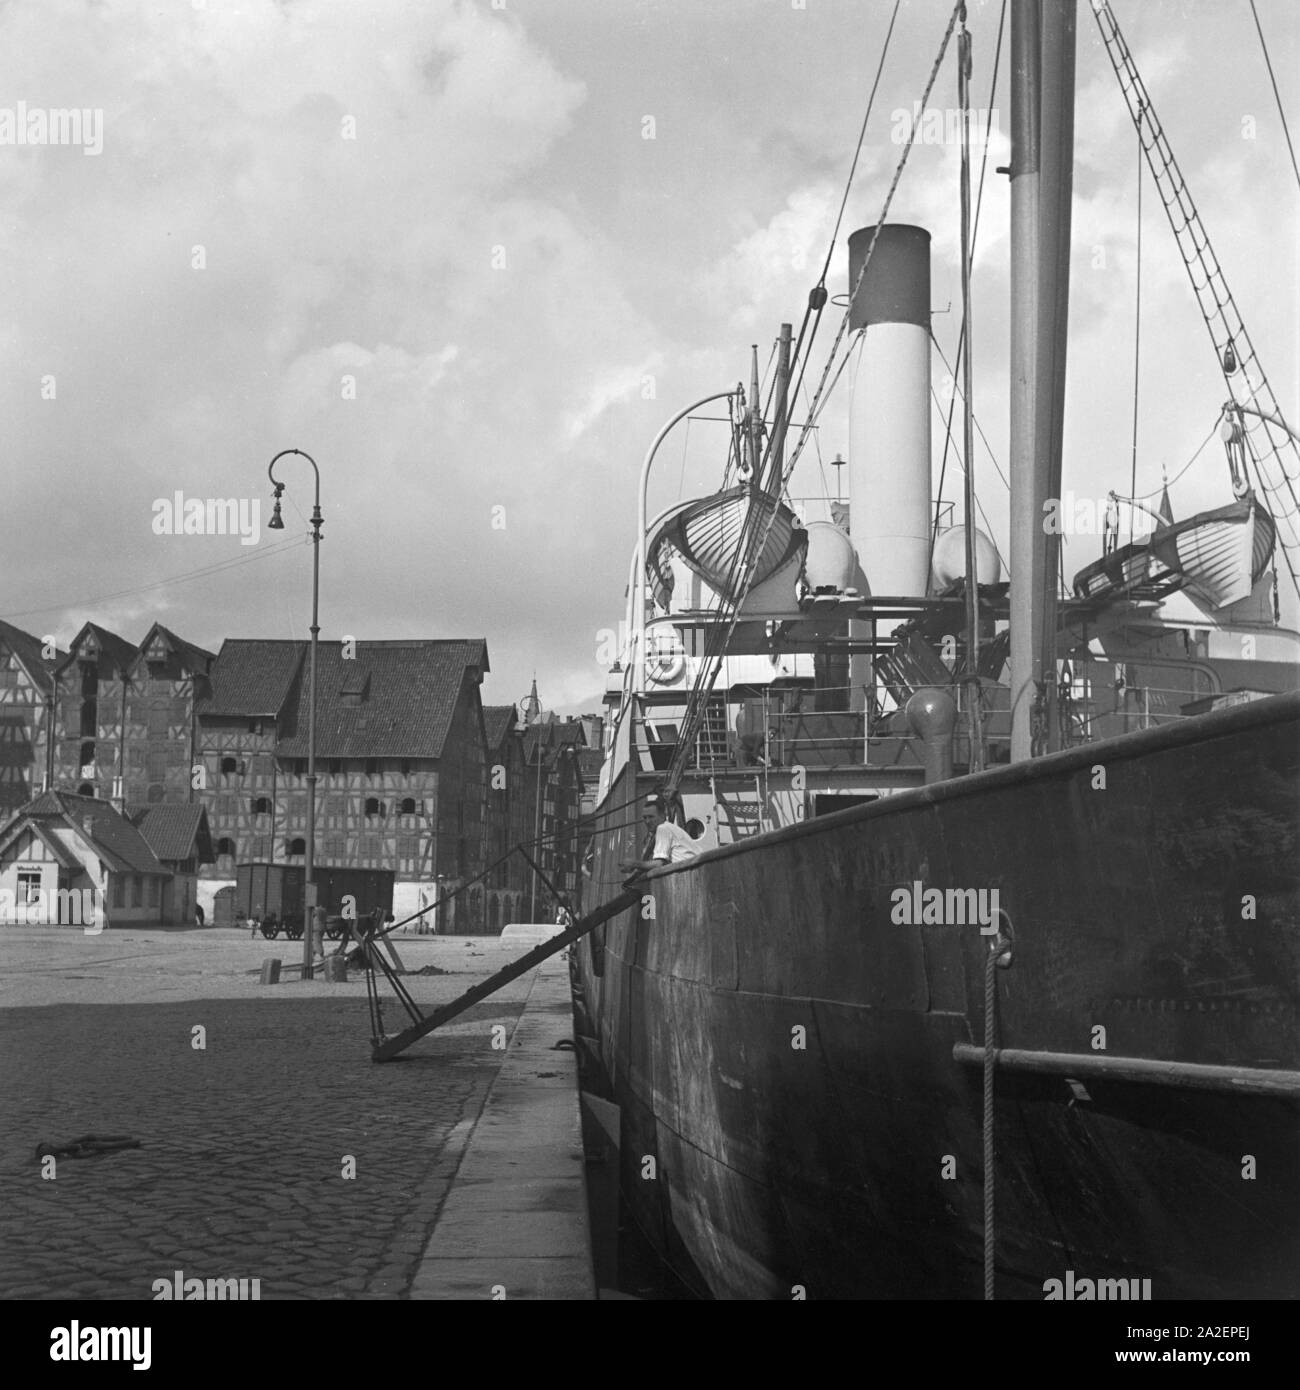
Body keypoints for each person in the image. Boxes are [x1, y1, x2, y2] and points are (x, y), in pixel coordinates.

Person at [619, 794, 700, 874]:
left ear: (662, 816)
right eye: (645, 817)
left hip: (690, 873)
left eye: (651, 817)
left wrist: (634, 864)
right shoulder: (670, 828)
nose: (647, 821)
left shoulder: (663, 828)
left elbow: (659, 864)